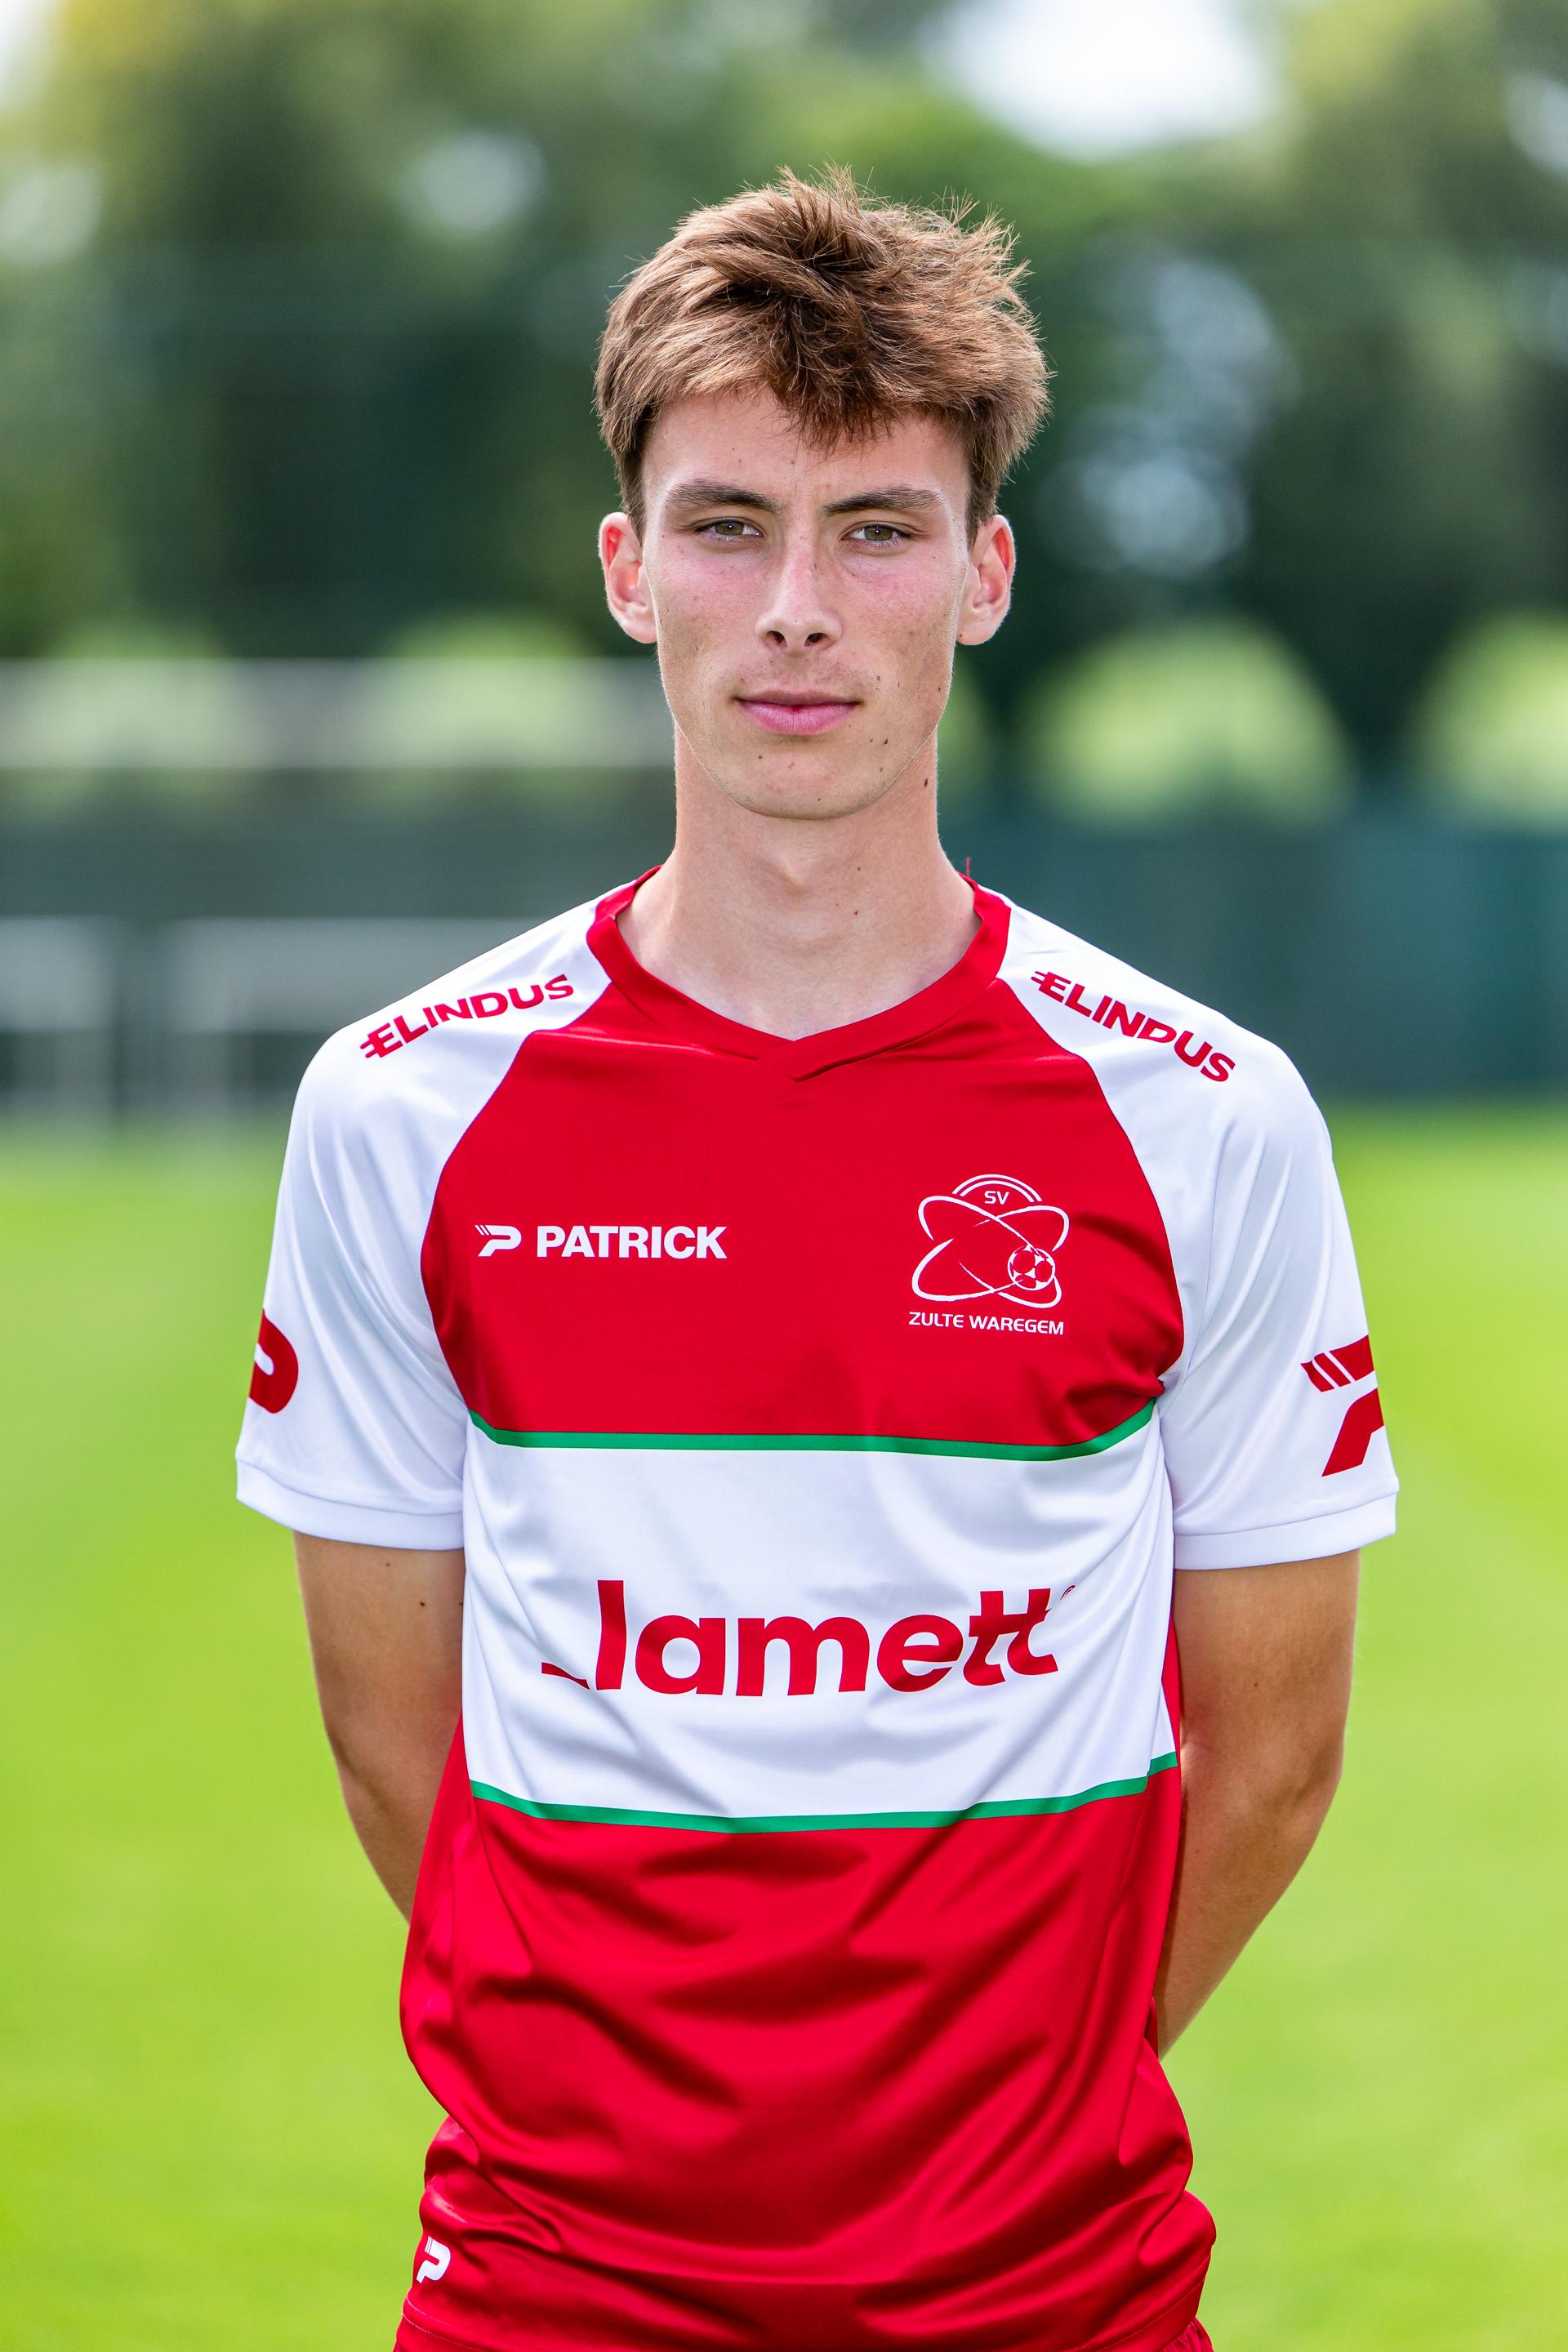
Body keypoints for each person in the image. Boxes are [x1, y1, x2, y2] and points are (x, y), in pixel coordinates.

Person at [236, 163, 1397, 2352]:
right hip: (552, 2282)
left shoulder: (1204, 1117)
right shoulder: (400, 1110)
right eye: (727, 525)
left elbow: (1272, 1761)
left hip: (1056, 2288)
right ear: (626, 569)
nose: (796, 609)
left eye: (874, 530)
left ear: (983, 575)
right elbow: (399, 1754)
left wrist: (1016, 2124)